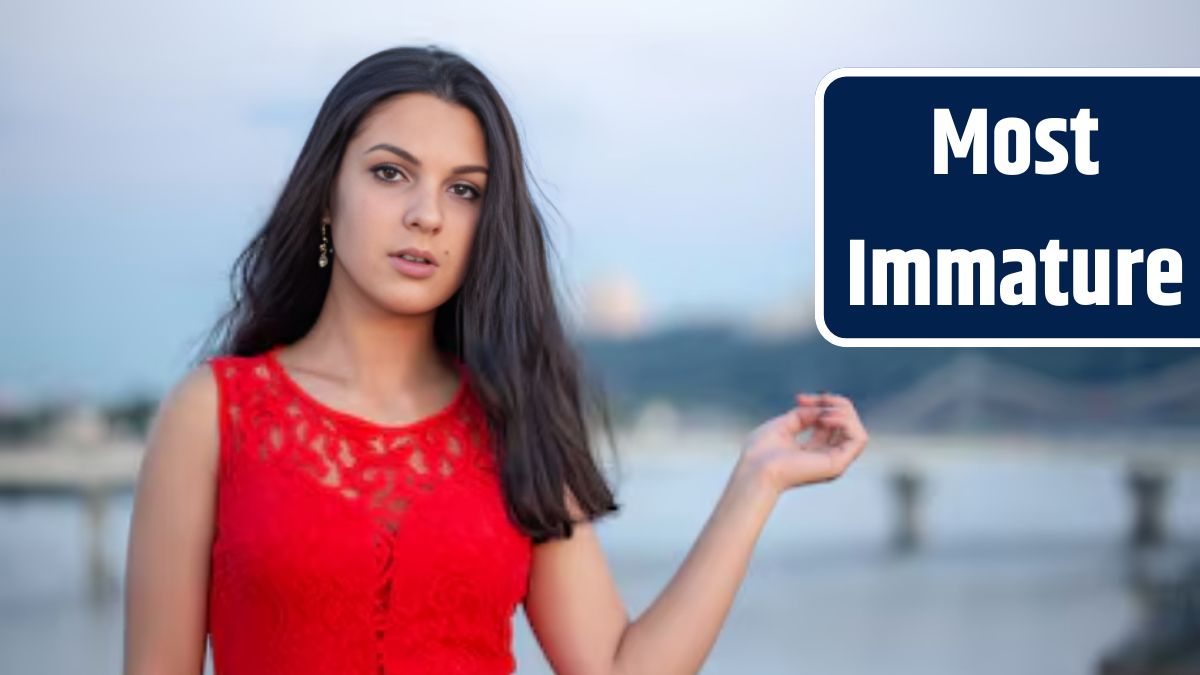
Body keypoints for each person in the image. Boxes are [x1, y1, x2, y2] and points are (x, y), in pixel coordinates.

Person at [122, 45, 869, 675]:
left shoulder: (513, 421)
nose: (428, 214)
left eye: (465, 189)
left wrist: (756, 481)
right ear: (325, 194)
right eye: (390, 173)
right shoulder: (214, 414)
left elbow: (614, 666)